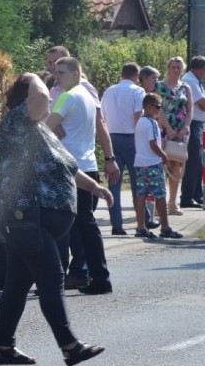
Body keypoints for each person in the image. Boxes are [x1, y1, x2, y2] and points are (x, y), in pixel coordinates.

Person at [0, 73, 108, 366]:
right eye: (42, 93)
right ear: (25, 99)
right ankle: (70, 346)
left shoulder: (39, 130)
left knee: (17, 286)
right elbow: (40, 94)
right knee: (52, 278)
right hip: (26, 217)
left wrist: (94, 187)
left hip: (34, 221)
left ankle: (3, 348)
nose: (49, 98)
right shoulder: (15, 121)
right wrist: (37, 77)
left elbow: (67, 166)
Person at [46, 57, 117, 295]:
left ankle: (68, 276)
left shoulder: (69, 96)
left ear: (77, 73)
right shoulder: (87, 96)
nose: (57, 77)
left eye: (62, 73)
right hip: (87, 165)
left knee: (65, 226)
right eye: (56, 73)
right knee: (84, 226)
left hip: (70, 167)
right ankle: (96, 275)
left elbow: (44, 129)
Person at [100, 63, 147, 235]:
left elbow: (102, 117)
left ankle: (116, 224)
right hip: (131, 138)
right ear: (137, 75)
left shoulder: (108, 91)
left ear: (122, 74)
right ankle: (144, 220)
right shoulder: (138, 91)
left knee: (114, 182)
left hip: (111, 138)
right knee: (137, 182)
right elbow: (137, 116)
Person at [133, 93, 183, 239]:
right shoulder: (152, 123)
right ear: (149, 107)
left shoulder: (140, 122)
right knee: (160, 195)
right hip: (152, 163)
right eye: (158, 107)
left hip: (140, 163)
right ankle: (165, 227)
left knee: (141, 194)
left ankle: (140, 226)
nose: (160, 110)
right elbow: (153, 143)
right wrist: (163, 155)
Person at [155, 57, 192, 216]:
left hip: (181, 130)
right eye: (173, 67)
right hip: (163, 129)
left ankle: (173, 203)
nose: (176, 70)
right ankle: (159, 204)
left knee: (177, 164)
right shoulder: (160, 86)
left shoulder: (185, 87)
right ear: (168, 68)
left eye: (178, 67)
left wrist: (185, 127)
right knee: (162, 164)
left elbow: (189, 109)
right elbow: (158, 108)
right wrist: (167, 127)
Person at [180, 56, 205, 208]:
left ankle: (196, 194)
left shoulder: (194, 80)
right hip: (192, 123)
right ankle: (187, 196)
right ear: (199, 68)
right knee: (193, 160)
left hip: (197, 123)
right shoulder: (191, 81)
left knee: (198, 161)